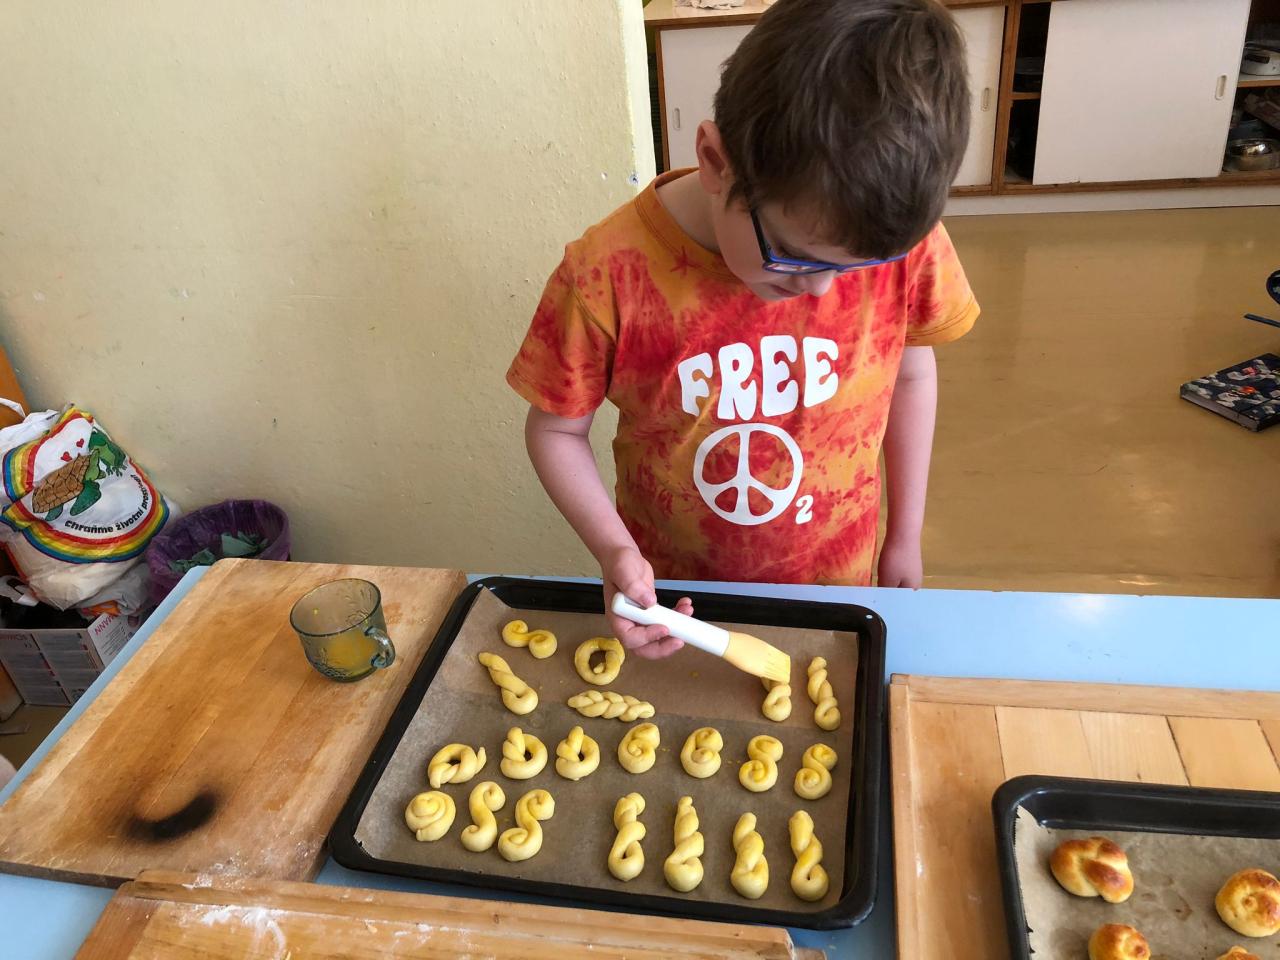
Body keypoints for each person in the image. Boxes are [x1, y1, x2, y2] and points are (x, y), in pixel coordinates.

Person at [507, 0, 978, 659]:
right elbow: (556, 430)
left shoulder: (899, 242)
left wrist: (904, 533)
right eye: (793, 256)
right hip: (680, 602)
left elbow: (911, 372)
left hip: (838, 583)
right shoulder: (607, 275)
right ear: (714, 160)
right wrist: (613, 549)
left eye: (856, 269)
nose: (820, 290)